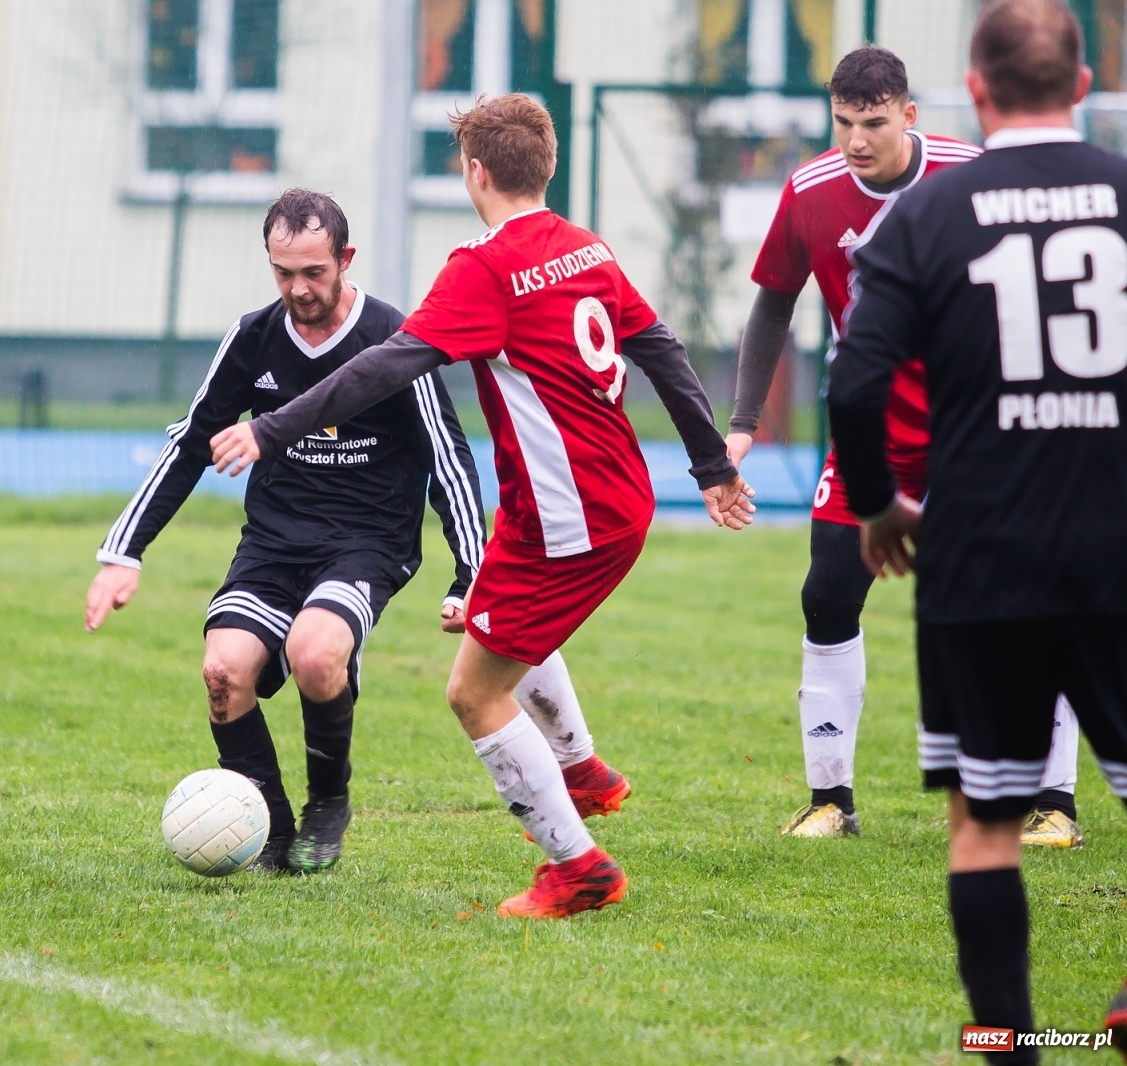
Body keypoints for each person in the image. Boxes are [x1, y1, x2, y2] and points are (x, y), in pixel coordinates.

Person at [210, 96, 755, 917]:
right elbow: (661, 350)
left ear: (475, 172)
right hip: (607, 497)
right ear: (547, 166)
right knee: (491, 616)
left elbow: (385, 367)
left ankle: (578, 870)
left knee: (474, 693)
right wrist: (710, 462)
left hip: (569, 517)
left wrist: (273, 428)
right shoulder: (585, 247)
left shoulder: (485, 267)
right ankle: (583, 770)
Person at [85, 188, 616, 874]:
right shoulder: (253, 339)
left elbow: (446, 458)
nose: (299, 289)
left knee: (313, 654)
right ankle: (268, 823)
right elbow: (192, 445)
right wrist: (122, 553)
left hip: (367, 542)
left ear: (345, 258)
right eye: (284, 273)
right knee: (223, 672)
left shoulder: (394, 337)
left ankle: (328, 804)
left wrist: (469, 571)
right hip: (274, 545)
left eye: (314, 272)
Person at [828, 2, 1127, 1056]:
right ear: (1082, 86)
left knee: (984, 824)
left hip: (980, 556)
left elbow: (854, 383)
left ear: (978, 92)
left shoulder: (927, 216)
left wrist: (876, 505)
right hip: (1114, 551)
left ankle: (1007, 1040)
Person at [728, 45, 1085, 845]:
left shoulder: (973, 175)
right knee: (827, 594)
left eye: (875, 123)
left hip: (983, 431)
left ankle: (1055, 803)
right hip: (872, 436)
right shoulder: (811, 192)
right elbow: (772, 306)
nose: (857, 140)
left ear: (910, 115)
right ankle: (832, 801)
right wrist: (744, 424)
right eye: (844, 122)